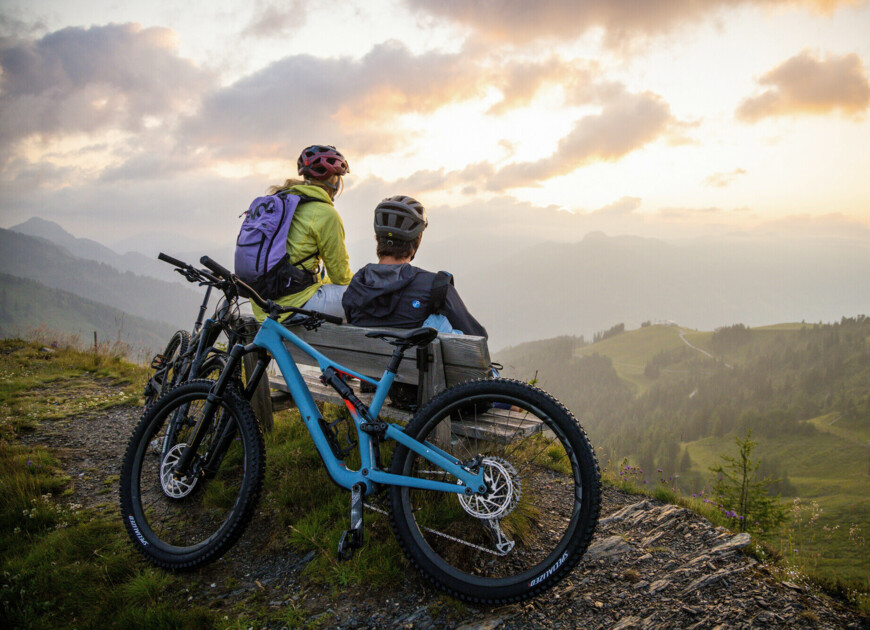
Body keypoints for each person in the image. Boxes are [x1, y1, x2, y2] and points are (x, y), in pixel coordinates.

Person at [342, 195, 487, 337]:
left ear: (377, 237)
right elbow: (476, 338)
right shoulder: (436, 287)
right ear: (417, 240)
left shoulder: (357, 285)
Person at [250, 145, 353, 322]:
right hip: (292, 306)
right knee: (358, 295)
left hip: (262, 305)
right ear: (333, 180)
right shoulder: (325, 213)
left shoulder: (282, 201)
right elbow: (340, 276)